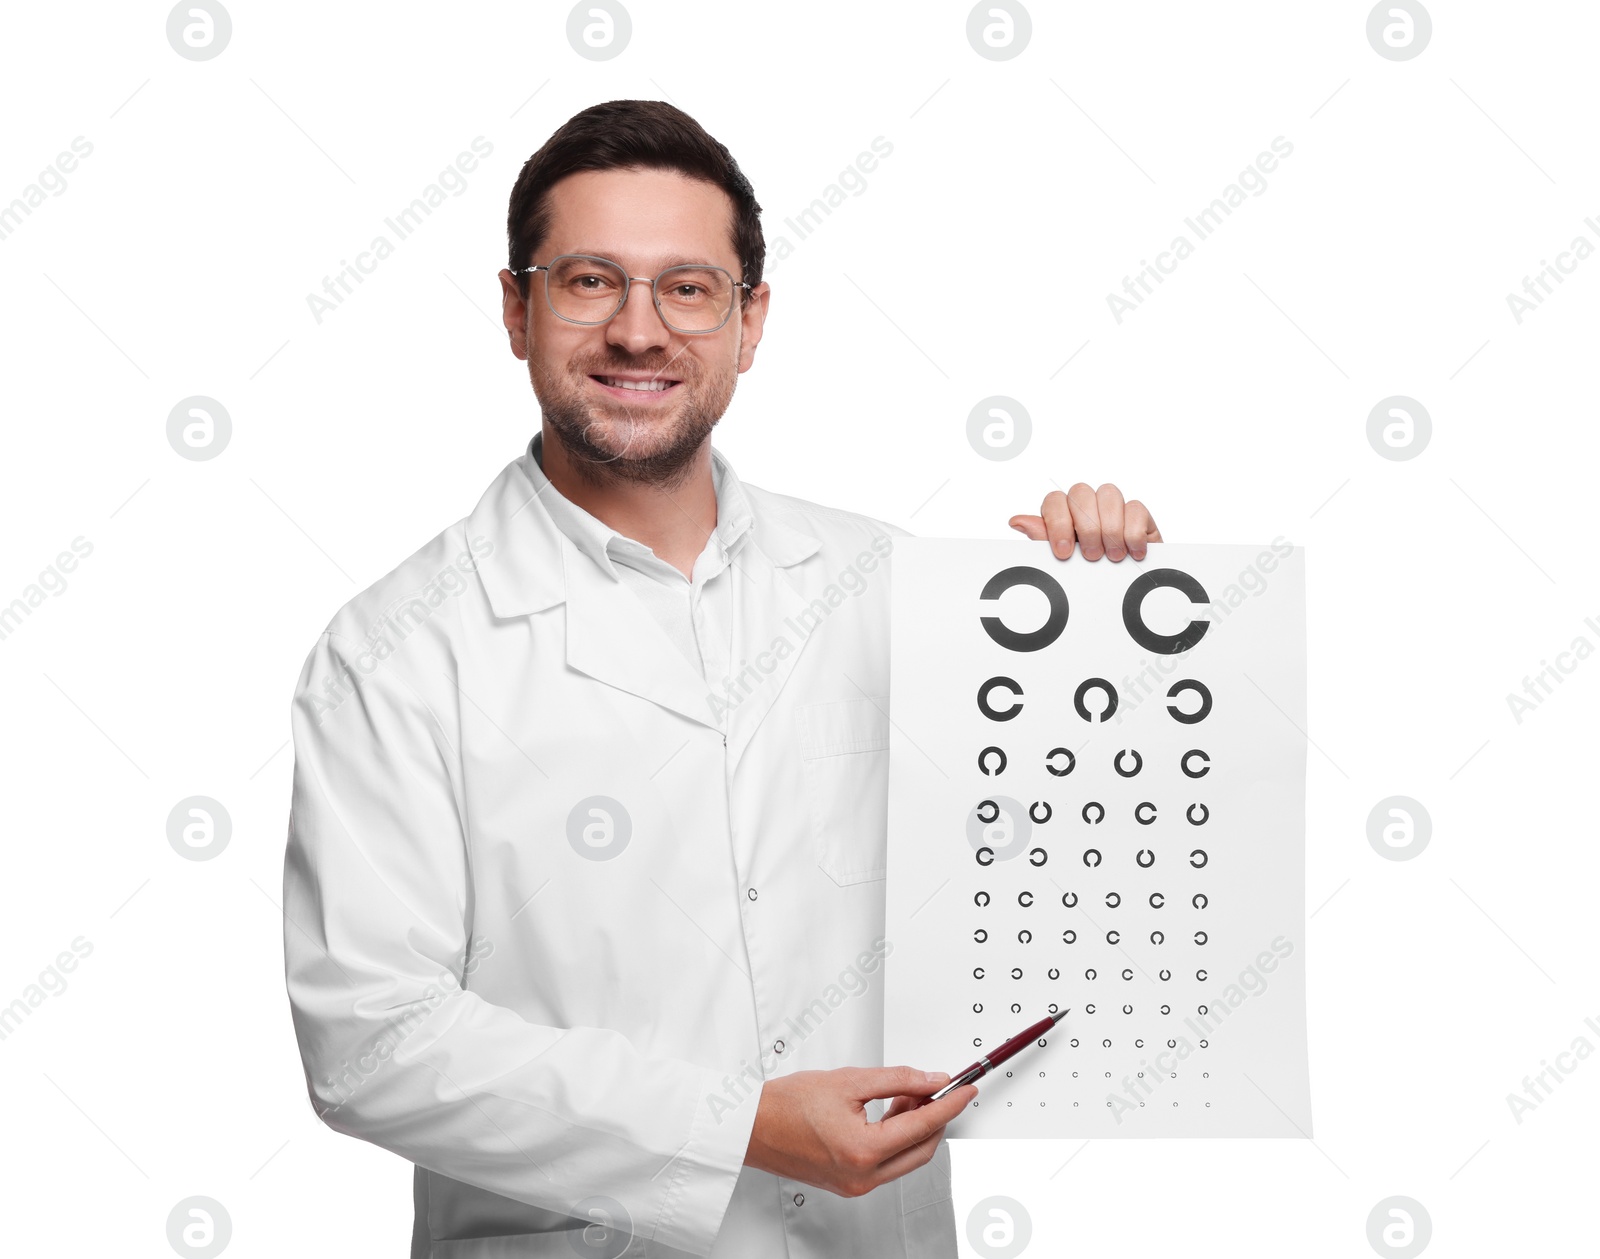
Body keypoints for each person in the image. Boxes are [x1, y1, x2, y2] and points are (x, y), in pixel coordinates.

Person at [281, 98, 1162, 1259]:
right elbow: (373, 1043)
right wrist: (737, 1127)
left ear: (750, 322)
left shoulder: (888, 585)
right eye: (591, 279)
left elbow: (1056, 870)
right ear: (515, 307)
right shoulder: (393, 650)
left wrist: (1097, 613)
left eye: (688, 288)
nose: (639, 331)